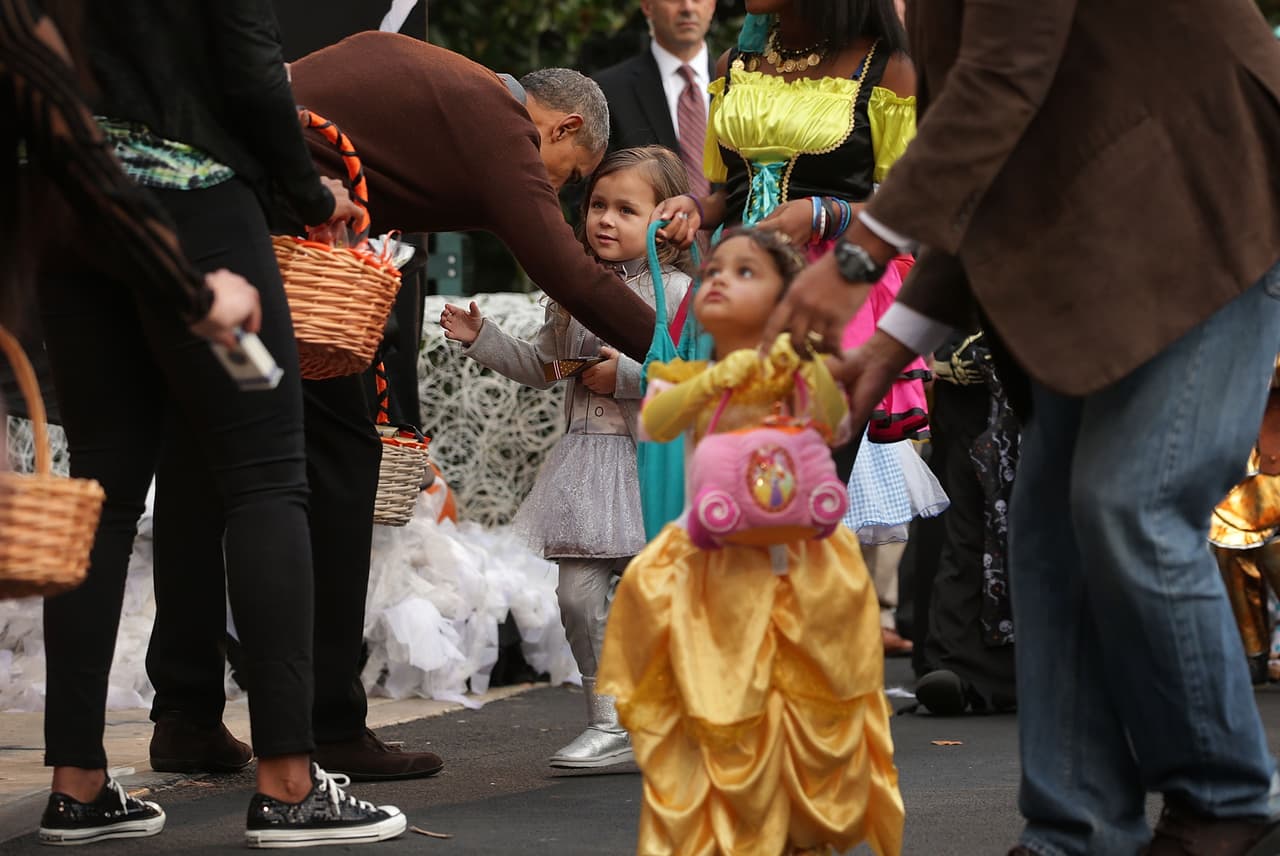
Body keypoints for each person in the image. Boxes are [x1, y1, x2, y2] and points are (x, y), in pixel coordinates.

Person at [769, 0, 1280, 852]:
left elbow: (1003, 81)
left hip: (1208, 202)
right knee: (1044, 536)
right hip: (1097, 248)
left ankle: (1227, 803)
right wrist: (887, 354)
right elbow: (981, 171)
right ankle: (1075, 830)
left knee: (1133, 506)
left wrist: (859, 256)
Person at [141, 38, 661, 784]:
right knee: (343, 466)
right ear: (566, 127)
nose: (561, 194)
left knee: (195, 462)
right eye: (572, 179)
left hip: (205, 224)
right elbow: (561, 265)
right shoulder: (500, 121)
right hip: (288, 244)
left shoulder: (447, 86)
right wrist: (683, 352)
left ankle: (186, 714)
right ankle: (329, 724)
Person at [8, 0, 408, 848]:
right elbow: (252, 72)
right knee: (267, 479)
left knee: (101, 488)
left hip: (70, 204)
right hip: (192, 199)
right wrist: (305, 193)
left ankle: (78, 782)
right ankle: (291, 784)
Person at [598, 228, 904, 856]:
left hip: (798, 566)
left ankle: (796, 830)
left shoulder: (795, 369)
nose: (718, 279)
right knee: (725, 700)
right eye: (715, 270)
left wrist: (802, 365)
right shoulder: (687, 373)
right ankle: (736, 828)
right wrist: (715, 382)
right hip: (717, 570)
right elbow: (657, 420)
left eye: (746, 272)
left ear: (786, 300)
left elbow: (835, 422)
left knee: (795, 699)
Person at [651, 0, 924, 657]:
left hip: (836, 299)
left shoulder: (888, 70)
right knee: (724, 487)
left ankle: (802, 676)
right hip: (739, 294)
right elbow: (728, 189)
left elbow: (913, 202)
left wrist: (825, 213)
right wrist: (691, 205)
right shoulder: (733, 62)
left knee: (802, 490)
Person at [441, 146, 693, 769]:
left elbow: (697, 376)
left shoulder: (685, 292)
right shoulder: (574, 289)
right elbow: (545, 367)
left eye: (626, 210)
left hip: (651, 467)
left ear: (666, 220)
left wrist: (629, 378)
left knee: (655, 599)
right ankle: (607, 722)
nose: (605, 220)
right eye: (597, 206)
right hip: (587, 468)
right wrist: (486, 339)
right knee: (578, 598)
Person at [593, 0, 716, 195]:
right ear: (647, 6)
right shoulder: (609, 90)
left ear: (712, 6)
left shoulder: (741, 85)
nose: (688, 8)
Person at [1213, 355, 1280, 686]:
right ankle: (1253, 652)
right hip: (1242, 458)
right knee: (1231, 552)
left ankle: (1262, 652)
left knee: (1273, 554)